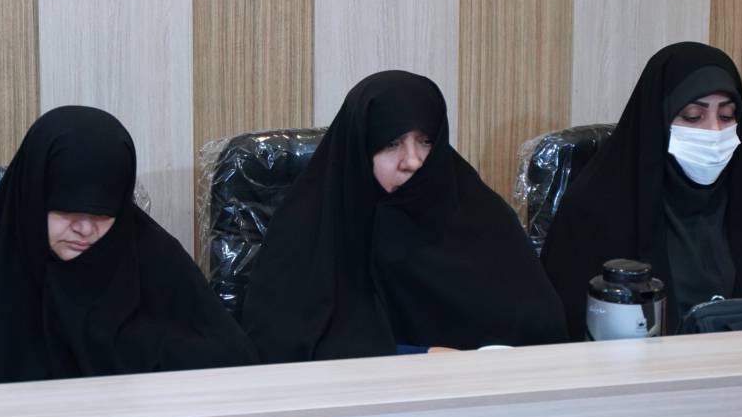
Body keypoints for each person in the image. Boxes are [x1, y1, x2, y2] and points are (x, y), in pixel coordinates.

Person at [0, 106, 253, 388]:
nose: (85, 229)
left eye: (102, 214)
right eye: (67, 211)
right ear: (34, 197)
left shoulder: (152, 258)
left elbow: (234, 363)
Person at [241, 70, 567, 362]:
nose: (412, 161)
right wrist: (416, 358)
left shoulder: (479, 215)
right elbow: (284, 345)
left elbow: (541, 328)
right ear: (360, 149)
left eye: (425, 142)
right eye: (391, 144)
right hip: (362, 401)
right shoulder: (308, 229)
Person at [541, 43, 742, 337]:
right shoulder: (597, 205)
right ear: (659, 119)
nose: (714, 132)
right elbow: (569, 330)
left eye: (727, 116)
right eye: (692, 116)